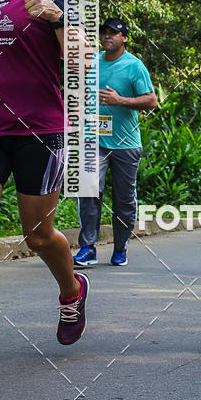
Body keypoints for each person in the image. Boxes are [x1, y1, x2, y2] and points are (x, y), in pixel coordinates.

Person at [0, 0, 91, 344]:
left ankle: (72, 291)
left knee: (38, 236)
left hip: (39, 132)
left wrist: (55, 18)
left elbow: (83, 58)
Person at [74, 18, 157, 267]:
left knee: (124, 199)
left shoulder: (134, 66)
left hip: (125, 143)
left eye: (114, 33)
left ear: (125, 38)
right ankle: (87, 247)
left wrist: (120, 101)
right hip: (94, 140)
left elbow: (151, 101)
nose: (108, 36)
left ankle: (120, 247)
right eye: (105, 32)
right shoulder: (92, 62)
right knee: (88, 191)